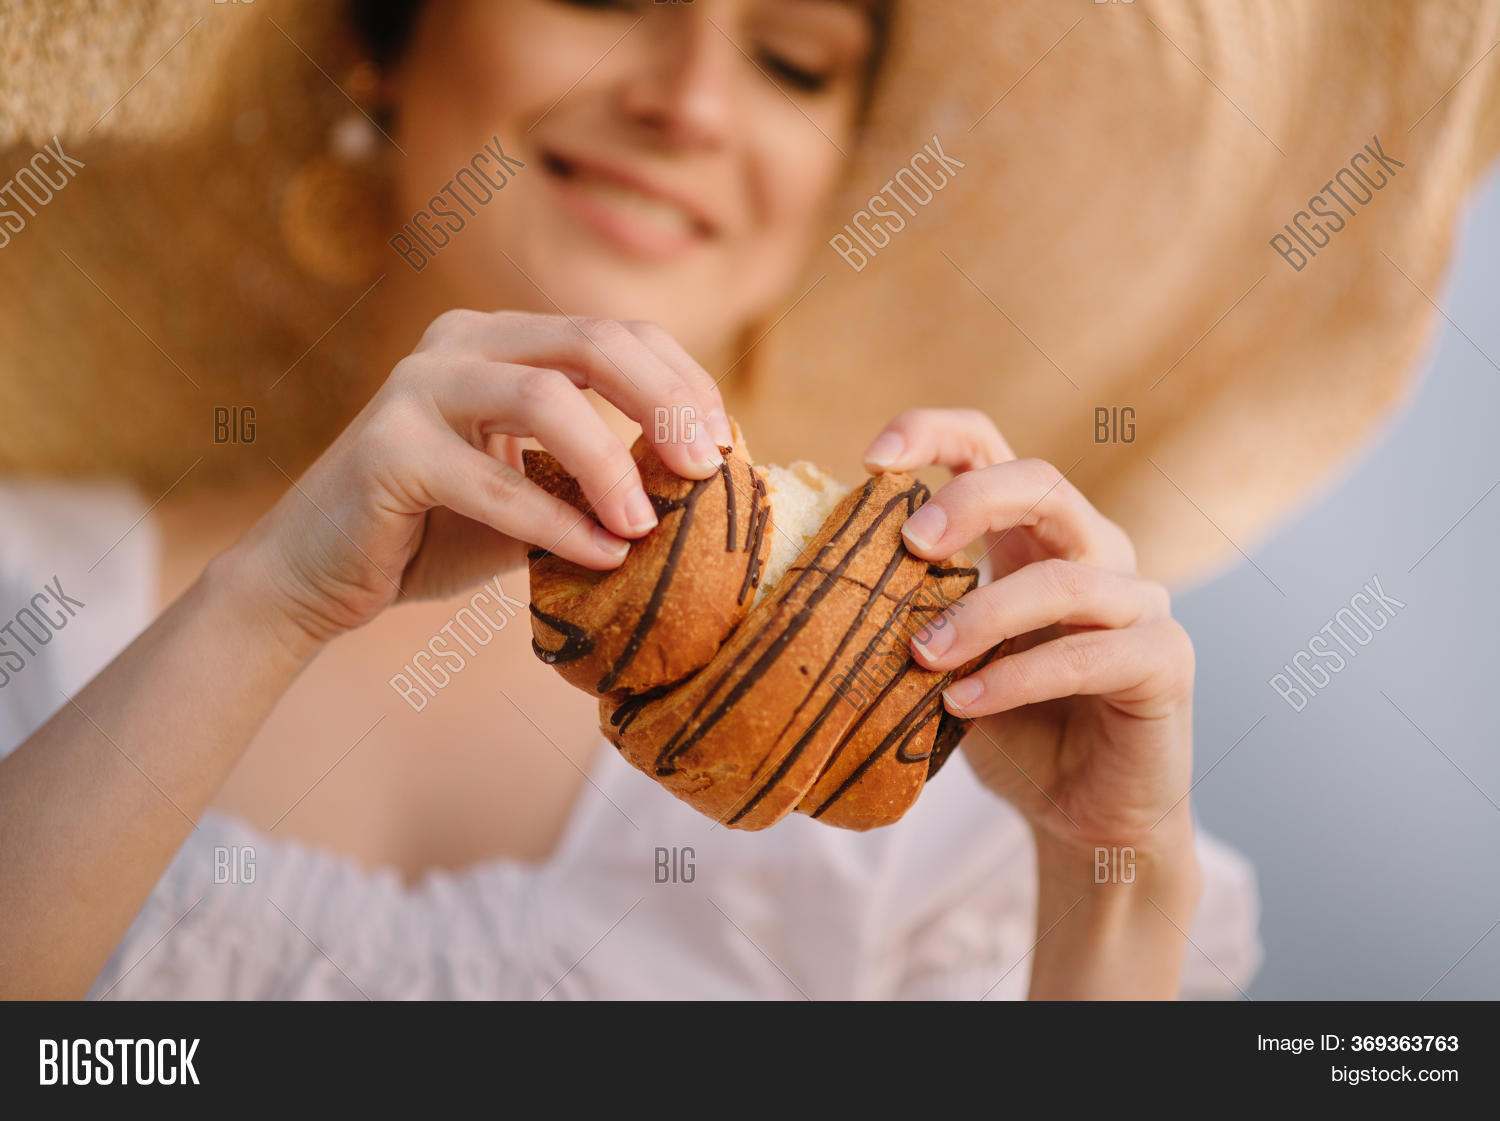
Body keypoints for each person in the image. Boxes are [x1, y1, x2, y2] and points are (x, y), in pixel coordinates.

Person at [2, 0, 1492, 999]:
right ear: (387, 39)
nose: (695, 104)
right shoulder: (32, 592)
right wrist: (263, 606)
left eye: (794, 57)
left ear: (838, 163)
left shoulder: (959, 815)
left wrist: (1106, 884)